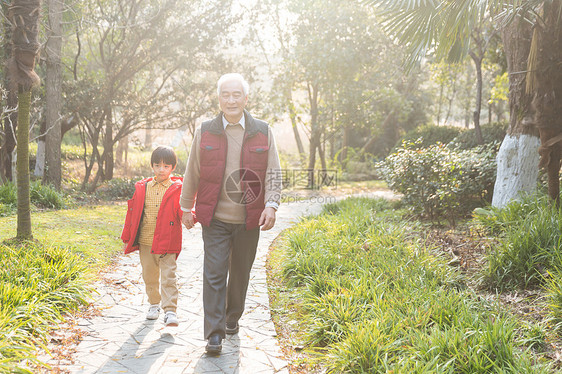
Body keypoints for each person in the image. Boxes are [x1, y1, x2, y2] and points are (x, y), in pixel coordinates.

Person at [180, 73, 282, 354]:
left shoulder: (263, 131)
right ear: (219, 98)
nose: (231, 100)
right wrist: (186, 206)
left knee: (240, 273)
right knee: (214, 273)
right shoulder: (206, 131)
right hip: (215, 218)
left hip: (249, 219)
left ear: (246, 98)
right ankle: (214, 334)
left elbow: (273, 172)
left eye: (237, 94)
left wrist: (271, 204)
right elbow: (193, 171)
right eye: (226, 94)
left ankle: (231, 317)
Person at [121, 145, 183, 327]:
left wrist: (191, 216)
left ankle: (170, 310)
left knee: (169, 276)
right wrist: (127, 235)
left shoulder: (177, 188)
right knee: (149, 275)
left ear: (172, 168)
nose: (161, 170)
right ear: (152, 166)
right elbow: (132, 212)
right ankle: (154, 305)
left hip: (168, 241)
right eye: (157, 165)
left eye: (166, 166)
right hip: (146, 240)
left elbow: (183, 210)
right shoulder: (143, 187)